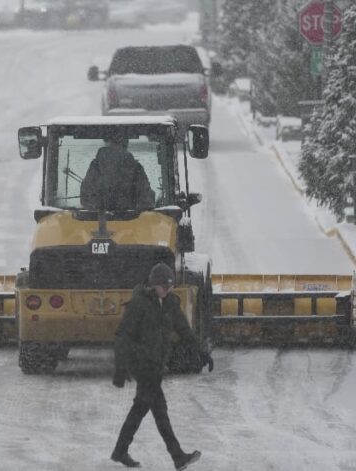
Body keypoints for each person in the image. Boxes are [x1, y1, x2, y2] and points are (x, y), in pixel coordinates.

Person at [110, 262, 213, 470]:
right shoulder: (139, 304)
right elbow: (123, 336)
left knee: (145, 409)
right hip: (141, 363)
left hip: (157, 364)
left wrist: (202, 351)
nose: (168, 291)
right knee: (157, 411)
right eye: (164, 287)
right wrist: (120, 368)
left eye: (170, 287)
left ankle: (121, 451)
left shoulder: (170, 304)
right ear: (153, 285)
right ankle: (177, 457)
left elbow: (184, 330)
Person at [80, 134, 155, 211]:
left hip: (97, 220)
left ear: (107, 143)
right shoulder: (136, 168)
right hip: (133, 221)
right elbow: (146, 200)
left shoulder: (95, 167)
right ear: (125, 145)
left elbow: (87, 198)